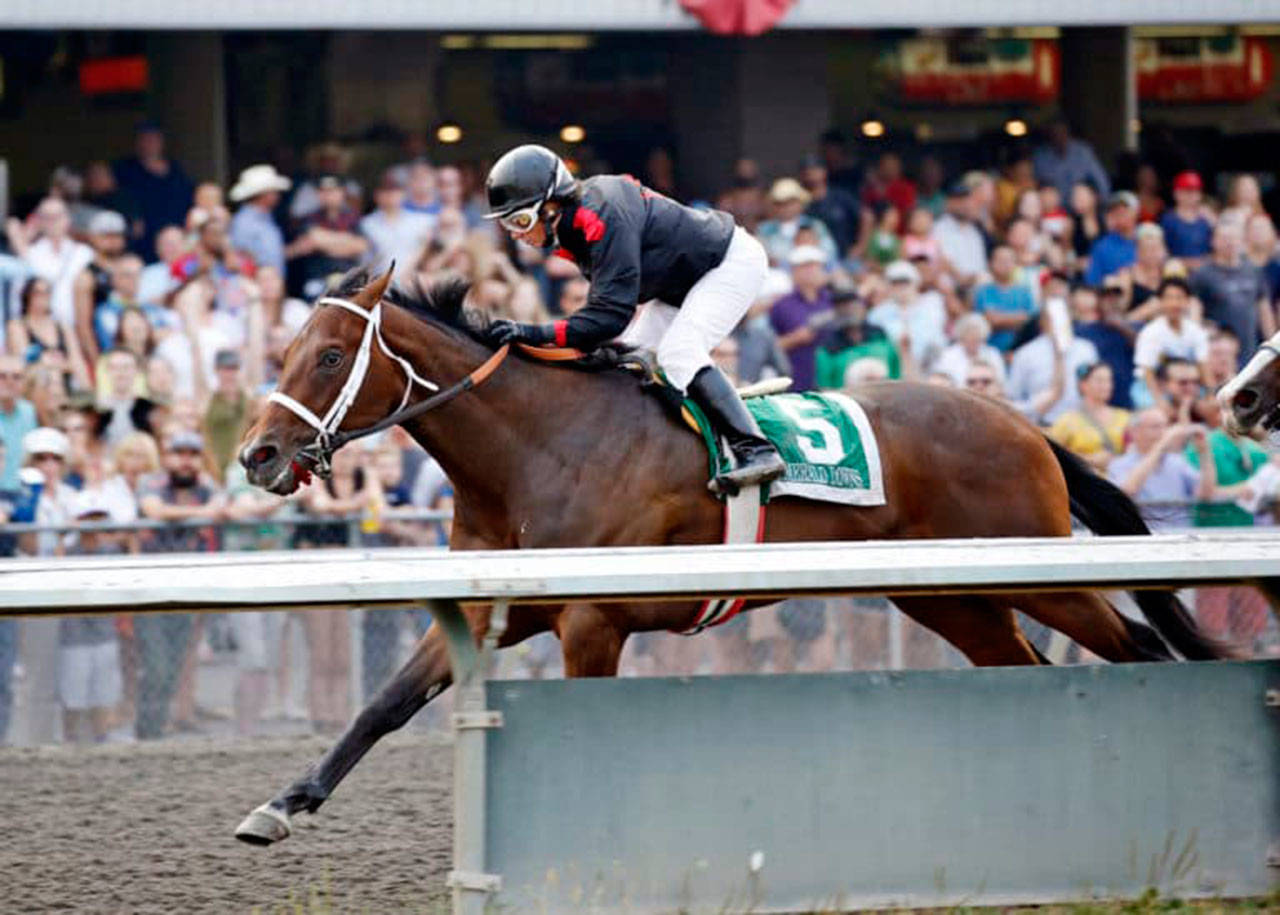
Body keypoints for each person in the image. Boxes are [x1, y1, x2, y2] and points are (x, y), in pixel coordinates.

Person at [483, 144, 785, 491]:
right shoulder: (572, 225)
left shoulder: (600, 215)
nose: (517, 234)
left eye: (519, 220)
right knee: (629, 362)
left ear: (551, 207)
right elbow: (605, 320)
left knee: (678, 353)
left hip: (728, 264)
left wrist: (532, 333)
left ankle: (757, 449)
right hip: (681, 285)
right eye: (508, 226)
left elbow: (610, 317)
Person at [134, 429, 224, 738]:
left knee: (172, 666)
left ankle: (155, 729)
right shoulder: (151, 482)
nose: (185, 461)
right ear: (167, 456)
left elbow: (220, 508)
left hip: (186, 589)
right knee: (156, 665)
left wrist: (197, 514)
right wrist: (199, 514)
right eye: (179, 454)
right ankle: (145, 729)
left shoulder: (205, 486)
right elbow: (154, 510)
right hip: (149, 589)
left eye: (192, 455)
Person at [58, 490, 126, 744]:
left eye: (98, 518)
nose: (94, 525)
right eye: (88, 518)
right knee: (73, 695)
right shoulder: (68, 551)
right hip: (74, 635)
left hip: (103, 632)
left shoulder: (110, 552)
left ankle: (101, 738)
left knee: (104, 693)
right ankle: (71, 740)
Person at [1108, 408, 1214, 530]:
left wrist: (1204, 452)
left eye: (1165, 426)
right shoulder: (1119, 464)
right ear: (1135, 432)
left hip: (1181, 537)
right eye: (1155, 427)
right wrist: (1161, 445)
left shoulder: (1176, 461)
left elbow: (1205, 494)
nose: (1163, 432)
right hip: (1142, 537)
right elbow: (1127, 491)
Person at [1191, 218, 1273, 359]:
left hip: (1251, 349)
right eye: (1224, 238)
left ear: (1241, 240)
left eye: (1234, 238)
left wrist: (1272, 344)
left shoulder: (1253, 270)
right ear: (1213, 241)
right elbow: (1194, 314)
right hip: (1219, 352)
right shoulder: (1202, 274)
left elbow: (1264, 311)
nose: (1230, 242)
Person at [113, 122, 194, 258]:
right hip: (143, 238)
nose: (149, 144)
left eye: (154, 139)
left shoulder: (175, 170)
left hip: (174, 231)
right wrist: (131, 217)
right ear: (137, 143)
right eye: (144, 139)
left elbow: (187, 197)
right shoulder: (125, 170)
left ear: (162, 143)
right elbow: (116, 197)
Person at [1006, 308, 1099, 424]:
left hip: (1082, 425)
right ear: (1042, 322)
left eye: (1063, 318)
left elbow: (1096, 387)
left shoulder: (1086, 349)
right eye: (1053, 319)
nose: (1058, 324)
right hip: (1040, 425)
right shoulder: (1025, 354)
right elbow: (1013, 395)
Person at [15, 197, 94, 330]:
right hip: (43, 330)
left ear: (68, 219)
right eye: (47, 217)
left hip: (79, 329)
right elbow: (18, 297)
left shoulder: (85, 253)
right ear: (39, 221)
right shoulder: (29, 255)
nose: (53, 222)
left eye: (57, 216)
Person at [285, 173, 368, 300]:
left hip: (347, 280)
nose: (328, 196)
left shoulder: (352, 218)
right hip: (317, 280)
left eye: (332, 191)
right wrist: (346, 240)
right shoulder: (310, 218)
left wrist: (324, 243)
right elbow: (314, 240)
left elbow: (360, 246)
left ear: (342, 193)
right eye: (323, 192)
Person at [1134, 278, 1210, 406]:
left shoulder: (1196, 331)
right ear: (1160, 302)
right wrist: (1161, 402)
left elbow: (1203, 366)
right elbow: (1147, 371)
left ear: (1187, 301)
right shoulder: (1150, 332)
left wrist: (1210, 394)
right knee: (1158, 417)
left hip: (1186, 385)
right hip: (1151, 387)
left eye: (1179, 298)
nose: (1174, 303)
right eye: (1169, 298)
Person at [867, 259, 947, 371]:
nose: (901, 287)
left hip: (932, 367)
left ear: (916, 282)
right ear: (888, 285)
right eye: (895, 282)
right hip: (893, 369)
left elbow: (938, 337)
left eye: (905, 281)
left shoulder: (932, 303)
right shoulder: (877, 313)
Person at [1048, 363, 1130, 470]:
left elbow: (1138, 452)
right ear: (1083, 385)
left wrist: (1118, 461)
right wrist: (1089, 460)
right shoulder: (1067, 421)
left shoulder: (1125, 417)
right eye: (1100, 381)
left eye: (1109, 380)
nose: (1106, 386)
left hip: (1118, 481)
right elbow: (1053, 455)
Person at [359, 171, 434, 283]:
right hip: (379, 285)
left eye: (395, 191)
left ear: (403, 194)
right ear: (377, 195)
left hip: (412, 284)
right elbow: (364, 261)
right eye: (385, 192)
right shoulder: (366, 224)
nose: (390, 196)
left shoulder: (422, 221)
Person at [972, 246, 1037, 353]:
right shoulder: (983, 291)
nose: (1006, 264)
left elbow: (1030, 321)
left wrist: (1001, 318)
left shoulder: (1025, 291)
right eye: (1001, 261)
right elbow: (991, 321)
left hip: (1020, 352)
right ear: (991, 264)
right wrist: (1019, 317)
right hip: (990, 351)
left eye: (1009, 260)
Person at [229, 164, 291, 275]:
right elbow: (241, 257)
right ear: (263, 195)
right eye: (273, 191)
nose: (277, 195)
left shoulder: (267, 218)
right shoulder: (243, 223)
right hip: (256, 285)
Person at [1032, 118, 1110, 203]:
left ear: (1068, 133)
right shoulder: (1041, 156)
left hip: (1081, 206)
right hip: (1054, 208)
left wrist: (1103, 203)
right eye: (1054, 134)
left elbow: (1100, 179)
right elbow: (1035, 184)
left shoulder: (1082, 152)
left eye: (1061, 133)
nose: (1058, 137)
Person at [931, 180, 987, 286]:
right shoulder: (938, 228)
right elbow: (941, 260)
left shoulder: (974, 232)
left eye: (966, 199)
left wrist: (972, 279)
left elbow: (981, 266)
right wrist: (961, 278)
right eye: (958, 200)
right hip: (950, 285)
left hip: (974, 284)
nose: (963, 204)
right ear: (948, 203)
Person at [935, 312, 1006, 390]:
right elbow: (942, 381)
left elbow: (1001, 382)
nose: (972, 341)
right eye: (969, 336)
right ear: (961, 337)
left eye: (976, 338)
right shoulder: (948, 355)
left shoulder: (993, 354)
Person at [1085, 192, 1140, 287]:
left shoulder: (1147, 239)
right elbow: (1092, 282)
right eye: (1116, 211)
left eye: (1125, 209)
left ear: (1135, 213)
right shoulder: (1102, 246)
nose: (1120, 213)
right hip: (1114, 295)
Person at [0, 354, 37, 491]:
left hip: (23, 492)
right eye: (2, 376)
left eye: (16, 377)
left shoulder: (29, 412)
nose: (9, 382)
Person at [1159, 171, 1213, 264]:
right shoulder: (1168, 220)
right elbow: (1163, 253)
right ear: (1177, 193)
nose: (1192, 195)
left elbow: (1214, 249)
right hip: (1176, 271)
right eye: (1187, 191)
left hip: (1204, 272)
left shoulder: (1206, 219)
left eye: (1196, 191)